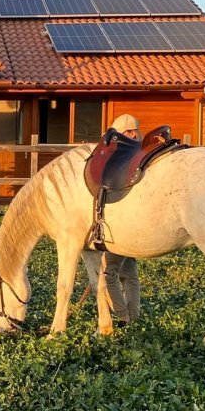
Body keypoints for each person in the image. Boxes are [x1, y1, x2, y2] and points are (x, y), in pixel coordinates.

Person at [84, 112, 142, 323]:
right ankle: (134, 317)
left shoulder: (116, 161)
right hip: (136, 227)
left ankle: (123, 317)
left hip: (119, 228)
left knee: (109, 274)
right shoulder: (138, 157)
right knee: (130, 274)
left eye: (133, 131)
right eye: (129, 131)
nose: (133, 134)